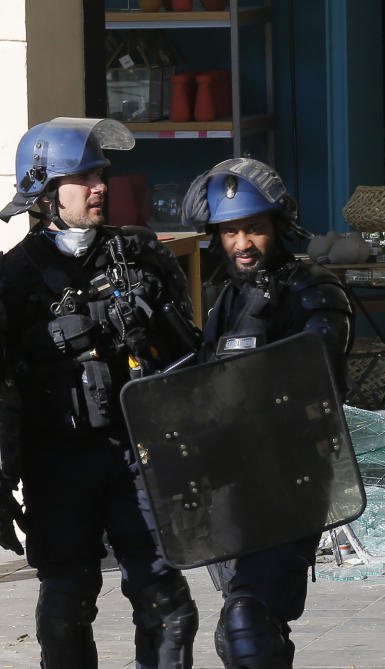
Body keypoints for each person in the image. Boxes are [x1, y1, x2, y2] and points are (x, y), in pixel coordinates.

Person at [0, 117, 201, 667]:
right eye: (83, 177)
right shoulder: (13, 278)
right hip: (59, 462)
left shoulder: (140, 257)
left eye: (101, 175)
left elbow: (190, 359)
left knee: (167, 603)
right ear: (43, 191)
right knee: (66, 605)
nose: (100, 187)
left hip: (141, 456)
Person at [181, 157, 354, 668]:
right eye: (230, 231)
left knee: (246, 625)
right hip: (231, 485)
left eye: (253, 228)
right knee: (252, 620)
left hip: (289, 479)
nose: (242, 243)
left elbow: (314, 371)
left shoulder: (313, 290)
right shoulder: (225, 300)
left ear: (278, 227)